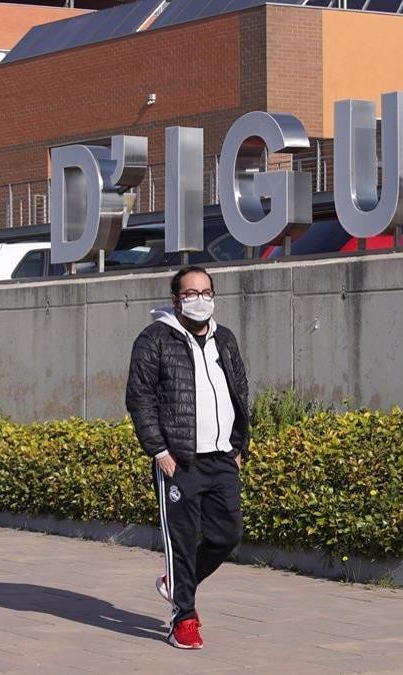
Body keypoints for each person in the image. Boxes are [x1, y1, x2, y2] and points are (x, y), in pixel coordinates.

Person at [125, 265, 250, 650]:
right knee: (181, 542)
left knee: (227, 534)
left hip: (221, 458)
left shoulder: (223, 339)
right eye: (191, 294)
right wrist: (159, 450)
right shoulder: (154, 340)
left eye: (206, 292)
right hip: (179, 460)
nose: (200, 300)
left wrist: (240, 444)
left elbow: (240, 391)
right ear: (176, 299)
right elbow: (139, 398)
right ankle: (184, 618)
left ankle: (175, 583)